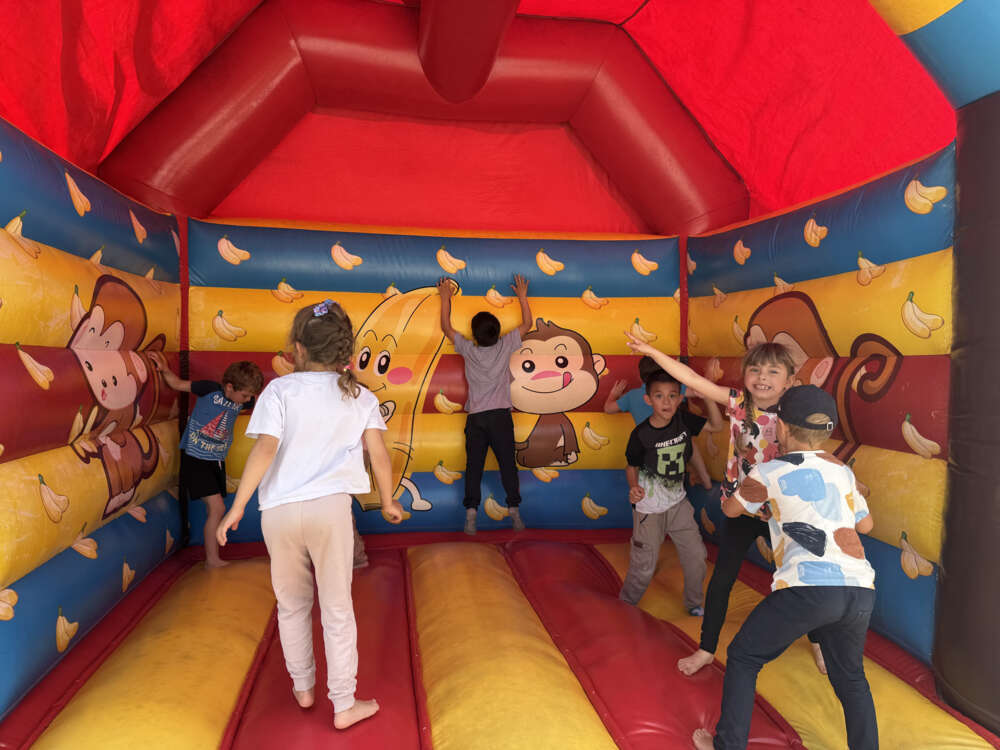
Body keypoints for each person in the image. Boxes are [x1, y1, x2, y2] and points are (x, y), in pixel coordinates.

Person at [217, 299, 404, 729]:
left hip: (279, 513)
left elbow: (265, 450)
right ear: (344, 350)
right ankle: (343, 704)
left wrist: (237, 507)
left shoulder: (279, 391)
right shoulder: (360, 396)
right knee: (337, 608)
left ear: (297, 349)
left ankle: (303, 687)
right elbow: (378, 455)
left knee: (292, 604)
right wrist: (388, 501)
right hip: (329, 512)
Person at [624, 334, 828, 676]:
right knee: (721, 581)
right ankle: (706, 649)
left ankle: (819, 641)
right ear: (745, 375)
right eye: (755, 370)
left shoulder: (794, 411)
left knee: (799, 577)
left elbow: (816, 451)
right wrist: (652, 352)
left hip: (781, 509)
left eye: (773, 372)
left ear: (790, 381)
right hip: (741, 507)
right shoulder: (738, 403)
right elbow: (693, 381)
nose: (762, 378)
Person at [693, 385, 877, 750]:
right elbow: (866, 526)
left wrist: (753, 486)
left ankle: (727, 745)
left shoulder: (769, 470)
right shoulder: (842, 471)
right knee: (851, 679)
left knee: (744, 656)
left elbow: (731, 510)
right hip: (860, 590)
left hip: (809, 589)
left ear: (781, 428)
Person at [438, 274, 532, 535]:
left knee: (474, 467)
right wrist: (522, 296)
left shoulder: (469, 350)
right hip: (500, 417)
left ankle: (471, 515)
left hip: (477, 418)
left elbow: (446, 328)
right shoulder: (505, 345)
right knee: (507, 465)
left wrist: (445, 298)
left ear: (475, 336)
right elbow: (527, 324)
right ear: (498, 333)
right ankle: (514, 512)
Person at [621, 371, 722, 614]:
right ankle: (625, 604)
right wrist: (634, 487)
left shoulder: (684, 420)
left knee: (697, 556)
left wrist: (708, 396)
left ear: (679, 399)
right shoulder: (641, 435)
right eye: (659, 396)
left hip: (678, 504)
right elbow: (631, 466)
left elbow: (717, 425)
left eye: (672, 396)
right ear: (648, 400)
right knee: (644, 564)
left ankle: (694, 603)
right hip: (649, 509)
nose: (666, 402)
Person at [150, 353, 263, 568]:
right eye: (245, 395)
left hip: (216, 461)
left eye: (250, 396)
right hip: (196, 458)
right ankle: (212, 560)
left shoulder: (245, 402)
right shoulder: (209, 389)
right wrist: (165, 369)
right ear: (229, 387)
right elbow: (177, 384)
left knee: (216, 509)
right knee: (217, 508)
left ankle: (213, 557)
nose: (247, 400)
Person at [605, 355, 715, 489]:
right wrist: (707, 375)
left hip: (649, 446)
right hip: (672, 441)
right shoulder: (672, 389)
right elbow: (700, 391)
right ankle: (705, 478)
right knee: (688, 438)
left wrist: (613, 394)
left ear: (640, 376)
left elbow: (608, 408)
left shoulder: (632, 395)